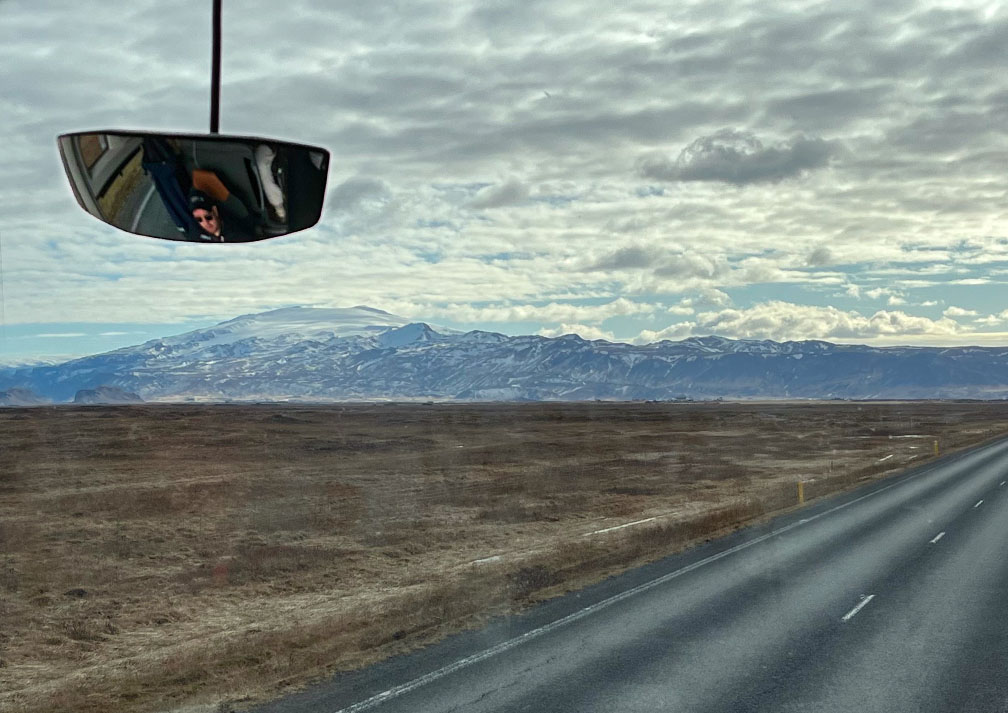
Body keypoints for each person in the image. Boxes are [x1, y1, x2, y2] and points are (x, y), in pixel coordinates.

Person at [188, 190, 255, 242]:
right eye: (199, 219)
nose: (205, 223)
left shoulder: (237, 233)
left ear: (215, 211)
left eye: (208, 217)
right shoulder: (195, 232)